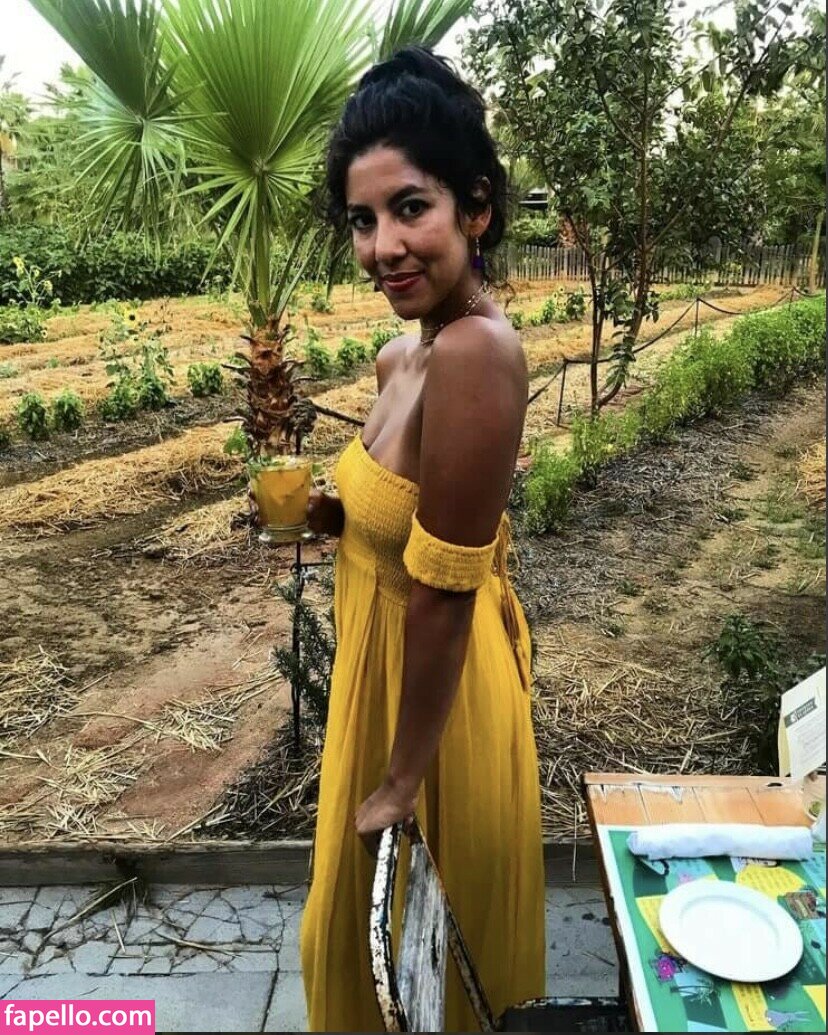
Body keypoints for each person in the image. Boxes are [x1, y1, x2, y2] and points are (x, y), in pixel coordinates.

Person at [299, 45, 545, 1033]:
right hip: (379, 680)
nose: (383, 246)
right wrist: (332, 516)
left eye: (411, 208)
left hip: (431, 710)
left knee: (405, 975)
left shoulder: (478, 353)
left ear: (475, 208)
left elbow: (443, 590)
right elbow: (398, 515)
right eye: (363, 220)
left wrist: (402, 782)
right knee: (354, 959)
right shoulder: (401, 354)